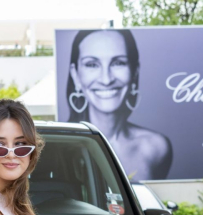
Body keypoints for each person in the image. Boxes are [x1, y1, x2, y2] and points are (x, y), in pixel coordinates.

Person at [66, 29, 172, 180]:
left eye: (118, 63)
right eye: (92, 64)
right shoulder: (59, 148)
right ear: (75, 75)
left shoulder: (155, 147)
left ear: (135, 72)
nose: (106, 79)